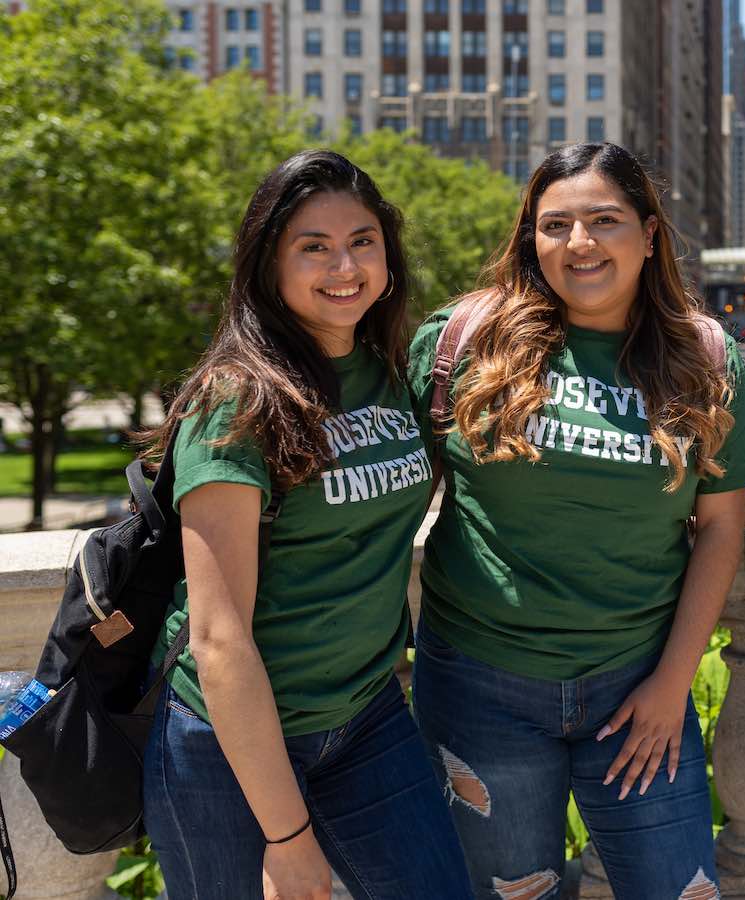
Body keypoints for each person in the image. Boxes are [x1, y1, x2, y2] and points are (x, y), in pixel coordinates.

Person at [407, 142, 745, 900]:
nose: (579, 243)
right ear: (530, 239)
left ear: (648, 235)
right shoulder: (464, 343)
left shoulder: (705, 359)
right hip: (480, 687)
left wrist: (674, 683)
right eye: (555, 225)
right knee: (514, 893)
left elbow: (723, 531)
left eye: (604, 220)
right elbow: (382, 488)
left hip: (639, 685)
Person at [140, 150, 470, 899]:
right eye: (313, 247)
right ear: (269, 264)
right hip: (229, 744)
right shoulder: (237, 400)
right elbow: (218, 639)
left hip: (366, 716)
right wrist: (288, 840)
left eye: (362, 241)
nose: (343, 265)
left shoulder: (388, 372)